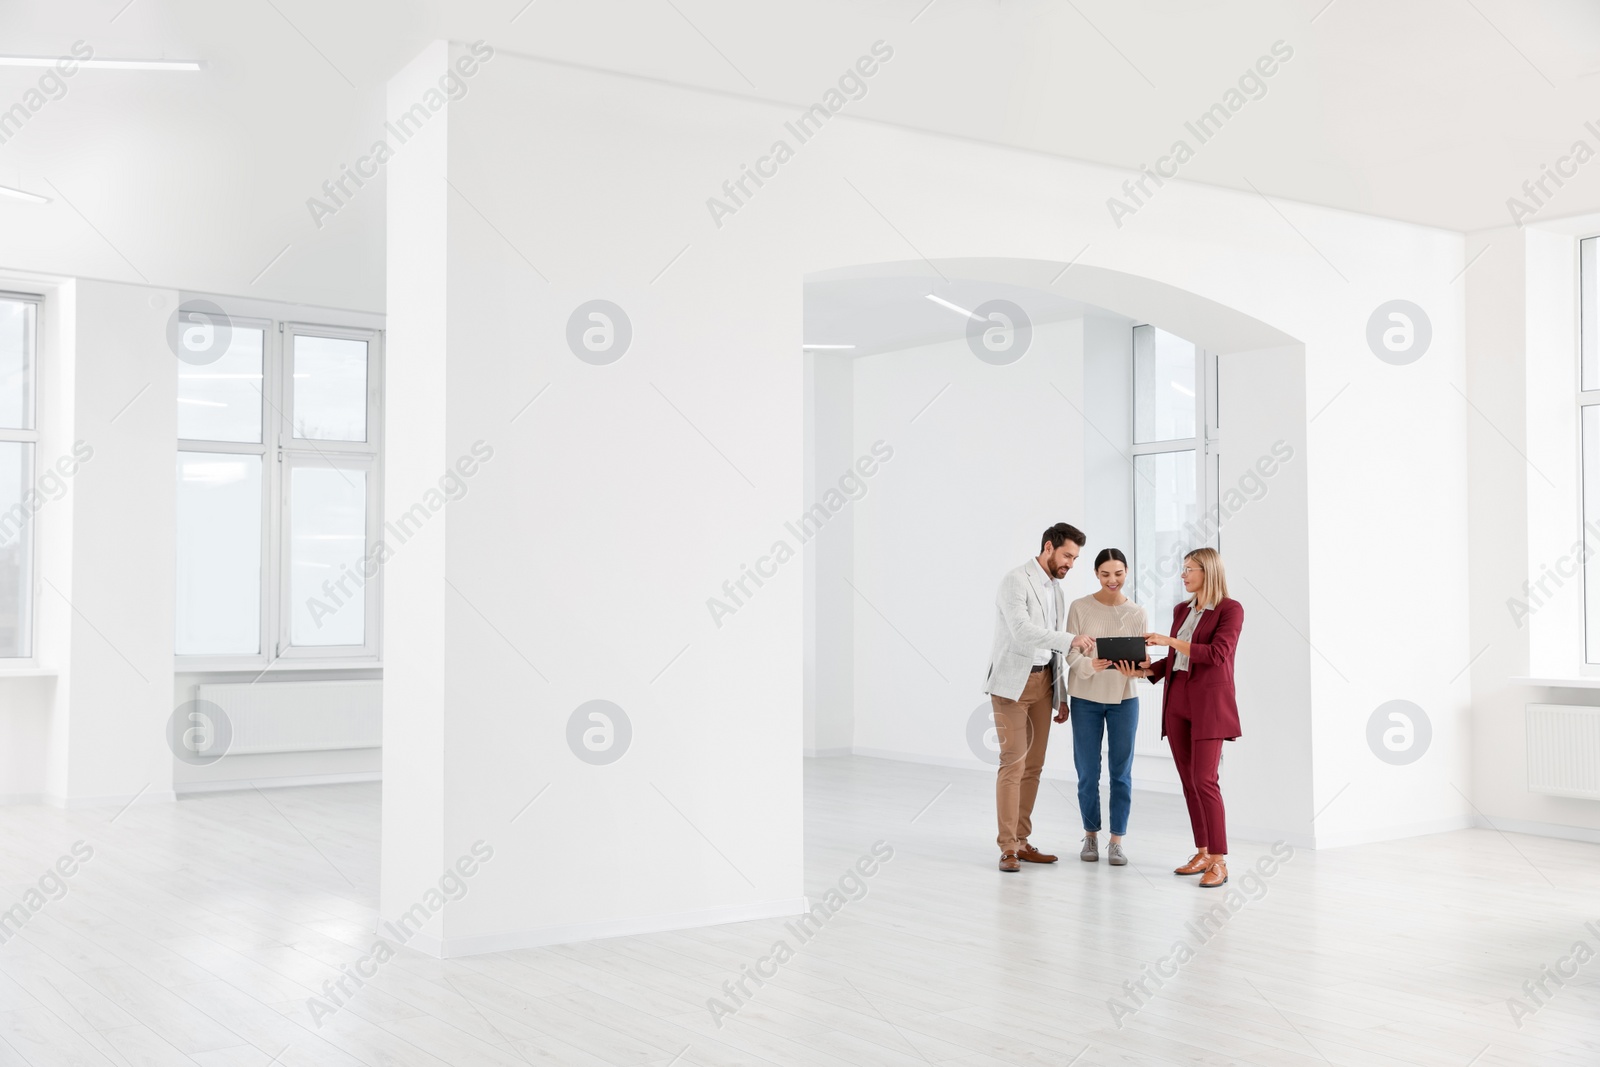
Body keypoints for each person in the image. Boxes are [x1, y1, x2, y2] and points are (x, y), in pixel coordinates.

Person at [1115, 547, 1243, 888]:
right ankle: (1201, 851)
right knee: (1189, 783)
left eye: (1189, 569)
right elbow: (1174, 661)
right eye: (1182, 569)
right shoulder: (1181, 610)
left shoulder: (1230, 610)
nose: (1183, 575)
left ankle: (1219, 860)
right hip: (1177, 701)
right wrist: (1141, 670)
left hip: (1209, 706)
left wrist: (1169, 639)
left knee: (1205, 781)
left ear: (1208, 572)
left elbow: (1216, 655)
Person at [983, 523, 1096, 873]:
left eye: (1075, 558)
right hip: (1012, 685)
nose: (1071, 564)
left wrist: (1060, 695)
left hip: (1044, 683)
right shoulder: (1015, 580)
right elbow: (1021, 632)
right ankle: (1007, 848)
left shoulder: (1056, 590)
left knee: (1034, 767)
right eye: (1067, 555)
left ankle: (1022, 839)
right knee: (1012, 763)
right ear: (1048, 547)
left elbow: (1053, 651)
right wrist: (1071, 638)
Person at [1057, 548, 1147, 867]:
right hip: (1086, 699)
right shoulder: (1079, 607)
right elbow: (1068, 655)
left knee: (1121, 773)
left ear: (1127, 573)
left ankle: (1117, 842)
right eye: (1106, 574)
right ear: (1096, 573)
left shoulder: (1137, 612)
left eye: (1119, 573)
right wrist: (1089, 665)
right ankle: (1091, 835)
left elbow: (1142, 664)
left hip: (1125, 699)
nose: (1113, 580)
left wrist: (1135, 668)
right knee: (1088, 772)